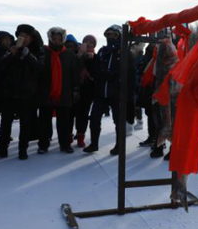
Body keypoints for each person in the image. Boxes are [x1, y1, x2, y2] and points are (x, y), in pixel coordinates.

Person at [0, 24, 45, 160]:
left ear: (32, 38)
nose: (23, 38)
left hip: (27, 93)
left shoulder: (38, 51)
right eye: (21, 35)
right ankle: (2, 149)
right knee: (5, 121)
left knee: (25, 123)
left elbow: (41, 69)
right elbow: (0, 67)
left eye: (26, 36)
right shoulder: (12, 48)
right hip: (9, 91)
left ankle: (22, 150)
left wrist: (29, 55)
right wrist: (10, 55)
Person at [83, 24, 135, 155]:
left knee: (118, 121)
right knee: (94, 117)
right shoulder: (102, 51)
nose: (111, 37)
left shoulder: (125, 52)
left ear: (119, 36)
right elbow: (95, 69)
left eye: (114, 34)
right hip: (101, 92)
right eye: (108, 34)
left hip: (117, 92)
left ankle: (119, 146)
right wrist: (99, 72)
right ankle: (94, 144)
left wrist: (127, 92)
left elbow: (131, 73)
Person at [37, 27, 79, 154]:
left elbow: (74, 74)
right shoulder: (43, 52)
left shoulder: (70, 54)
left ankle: (65, 144)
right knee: (44, 121)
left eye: (59, 39)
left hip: (64, 93)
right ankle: (43, 145)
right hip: (46, 92)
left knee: (64, 122)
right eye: (54, 38)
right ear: (50, 38)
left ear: (63, 39)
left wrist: (75, 90)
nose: (56, 41)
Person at [72, 35, 98, 148]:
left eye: (91, 42)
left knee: (83, 113)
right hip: (75, 88)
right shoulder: (76, 55)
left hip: (88, 89)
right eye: (86, 41)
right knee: (72, 112)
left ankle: (80, 135)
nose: (88, 43)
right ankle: (70, 134)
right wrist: (81, 56)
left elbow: (95, 72)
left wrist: (89, 59)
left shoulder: (95, 57)